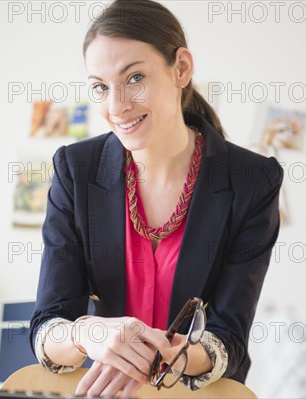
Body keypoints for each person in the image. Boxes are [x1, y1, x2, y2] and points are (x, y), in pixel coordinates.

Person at [29, 0, 284, 397]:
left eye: (134, 78)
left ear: (181, 68)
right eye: (100, 86)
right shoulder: (75, 170)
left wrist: (160, 356)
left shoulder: (252, 180)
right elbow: (47, 325)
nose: (117, 107)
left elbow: (229, 337)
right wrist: (88, 333)